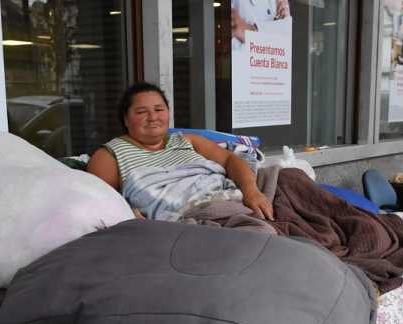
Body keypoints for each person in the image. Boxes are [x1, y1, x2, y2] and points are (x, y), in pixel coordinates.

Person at [87, 82, 274, 220]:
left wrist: (251, 191)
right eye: (141, 112)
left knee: (292, 179)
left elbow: (230, 160)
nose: (153, 117)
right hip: (185, 216)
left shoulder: (187, 140)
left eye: (159, 109)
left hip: (227, 195)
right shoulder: (109, 155)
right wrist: (131, 215)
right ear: (126, 120)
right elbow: (103, 201)